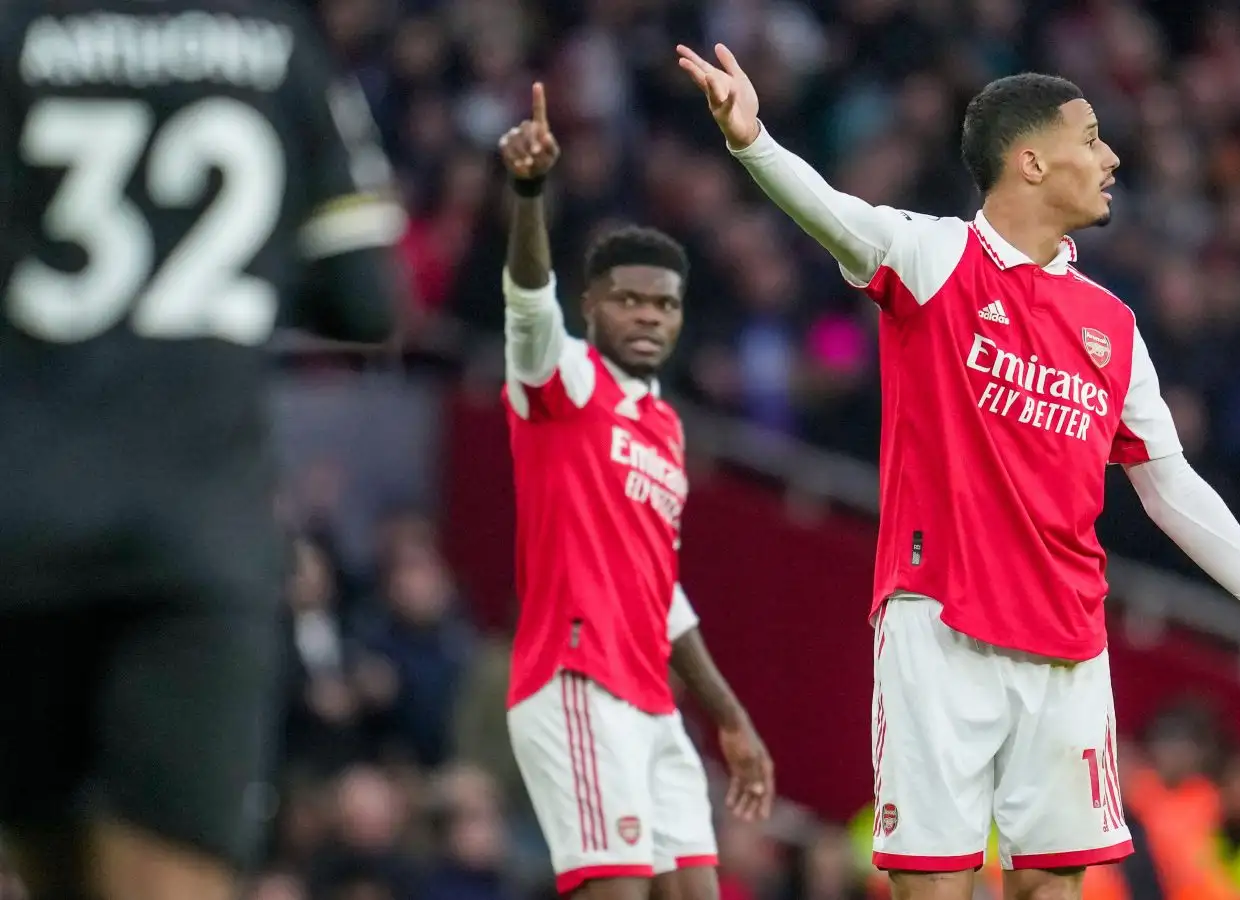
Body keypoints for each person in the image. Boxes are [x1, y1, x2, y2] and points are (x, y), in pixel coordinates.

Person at [676, 45, 1240, 900]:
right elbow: (834, 213)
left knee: (1054, 887)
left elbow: (1171, 487)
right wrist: (752, 141)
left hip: (1066, 642)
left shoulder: (1113, 325)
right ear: (1029, 160)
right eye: (1092, 139)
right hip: (939, 624)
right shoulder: (934, 258)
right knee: (933, 886)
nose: (1112, 158)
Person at [0, 1, 404, 898]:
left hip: (21, 517)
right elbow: (366, 299)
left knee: (48, 868)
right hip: (197, 532)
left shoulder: (17, 30)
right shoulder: (277, 46)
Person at [494, 83, 774, 900]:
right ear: (591, 307)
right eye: (628, 300)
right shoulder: (563, 377)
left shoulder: (665, 427)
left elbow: (664, 595)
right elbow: (525, 299)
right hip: (577, 680)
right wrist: (530, 193)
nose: (648, 316)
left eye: (664, 304)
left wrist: (727, 714)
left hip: (652, 700)